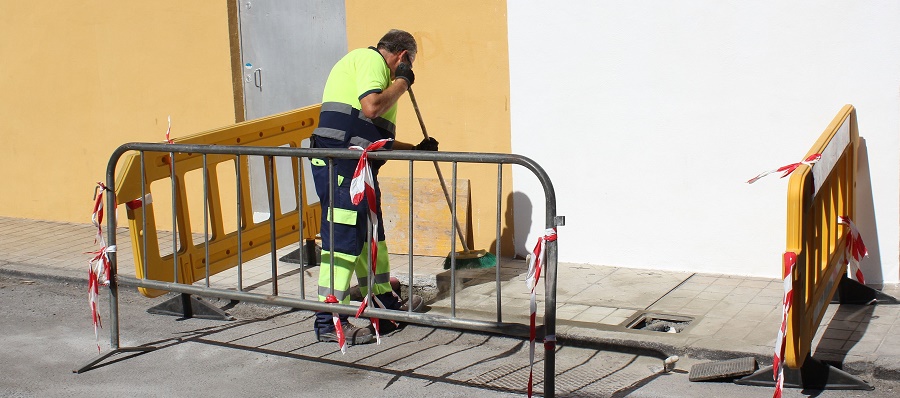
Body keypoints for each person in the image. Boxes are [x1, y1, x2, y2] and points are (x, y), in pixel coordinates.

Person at [310, 29, 437, 345]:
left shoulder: (376, 73)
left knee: (370, 236)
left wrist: (415, 149)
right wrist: (404, 82)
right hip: (343, 166)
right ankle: (329, 320)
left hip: (358, 166)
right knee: (343, 240)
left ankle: (383, 303)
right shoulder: (371, 60)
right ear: (403, 57)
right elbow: (371, 107)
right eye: (405, 66)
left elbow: (372, 137)